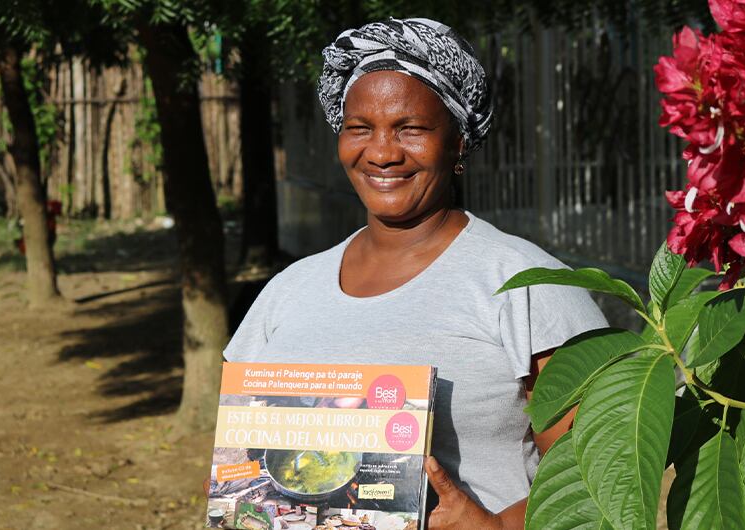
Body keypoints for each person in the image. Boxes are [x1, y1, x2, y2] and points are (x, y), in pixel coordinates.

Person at [223, 17, 608, 529]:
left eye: (411, 129)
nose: (382, 152)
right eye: (360, 128)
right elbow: (239, 462)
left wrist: (497, 527)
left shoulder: (529, 286)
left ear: (459, 143)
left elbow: (602, 477)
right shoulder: (288, 291)